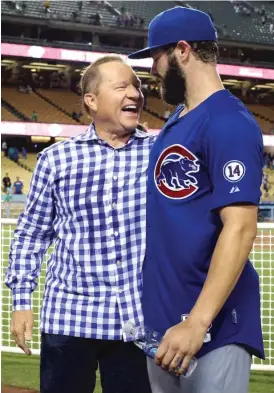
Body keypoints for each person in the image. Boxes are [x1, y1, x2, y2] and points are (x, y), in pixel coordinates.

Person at [129, 7, 264, 393]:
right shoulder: (178, 119)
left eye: (156, 56)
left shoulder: (228, 121)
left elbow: (240, 228)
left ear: (183, 50)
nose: (152, 68)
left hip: (211, 327)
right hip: (165, 325)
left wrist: (197, 321)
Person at [5, 55, 154, 393]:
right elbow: (31, 235)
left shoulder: (159, 153)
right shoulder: (56, 159)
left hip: (138, 321)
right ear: (91, 100)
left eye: (138, 86)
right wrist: (22, 302)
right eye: (121, 86)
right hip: (69, 318)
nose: (135, 93)